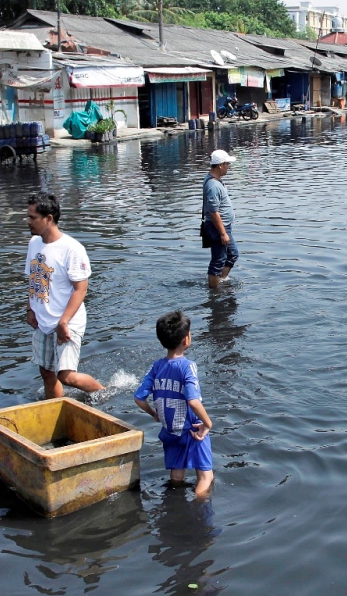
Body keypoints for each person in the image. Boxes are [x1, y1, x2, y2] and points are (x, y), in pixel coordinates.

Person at [25, 193, 104, 398]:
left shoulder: (72, 249)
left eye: (33, 217)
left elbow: (81, 289)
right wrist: (29, 308)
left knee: (66, 376)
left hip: (67, 321)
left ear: (48, 218)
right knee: (46, 372)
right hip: (43, 319)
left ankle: (104, 393)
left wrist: (64, 322)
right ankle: (55, 412)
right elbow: (33, 279)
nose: (28, 221)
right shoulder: (34, 243)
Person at [134, 311, 214, 498]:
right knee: (205, 476)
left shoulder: (156, 366)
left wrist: (154, 413)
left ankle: (174, 506)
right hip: (192, 429)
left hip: (169, 428)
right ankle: (198, 511)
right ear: (186, 340)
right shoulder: (188, 366)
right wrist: (208, 424)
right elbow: (193, 401)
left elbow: (139, 398)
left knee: (177, 474)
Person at [203, 149, 239, 288]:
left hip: (222, 227)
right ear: (220, 165)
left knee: (232, 255)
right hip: (218, 228)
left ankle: (221, 281)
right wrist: (223, 233)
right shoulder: (213, 185)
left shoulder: (215, 181)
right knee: (218, 260)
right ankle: (214, 291)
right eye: (227, 164)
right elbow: (213, 211)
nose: (228, 167)